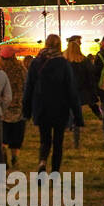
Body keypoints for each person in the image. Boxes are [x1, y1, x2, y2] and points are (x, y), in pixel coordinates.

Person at [22, 34, 82, 173]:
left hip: (41, 106)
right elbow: (71, 89)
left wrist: (27, 109)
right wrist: (77, 115)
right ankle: (55, 171)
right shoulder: (63, 63)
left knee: (44, 139)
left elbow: (29, 87)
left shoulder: (36, 62)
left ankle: (42, 161)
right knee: (58, 142)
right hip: (60, 106)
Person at [0, 46, 27, 168]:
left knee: (4, 134)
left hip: (3, 108)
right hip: (18, 107)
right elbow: (26, 85)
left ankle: (3, 150)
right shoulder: (20, 69)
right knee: (17, 134)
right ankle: (14, 156)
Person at [64, 36, 97, 149]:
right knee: (77, 113)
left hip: (67, 91)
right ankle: (75, 137)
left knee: (70, 111)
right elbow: (91, 76)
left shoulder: (64, 61)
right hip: (80, 91)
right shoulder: (84, 61)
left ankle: (69, 126)